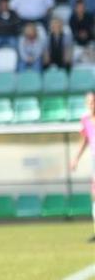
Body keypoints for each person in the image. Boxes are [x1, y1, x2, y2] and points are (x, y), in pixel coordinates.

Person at [70, 91, 95, 242]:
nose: (91, 104)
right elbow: (85, 140)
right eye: (89, 102)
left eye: (93, 101)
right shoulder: (85, 120)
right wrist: (76, 159)